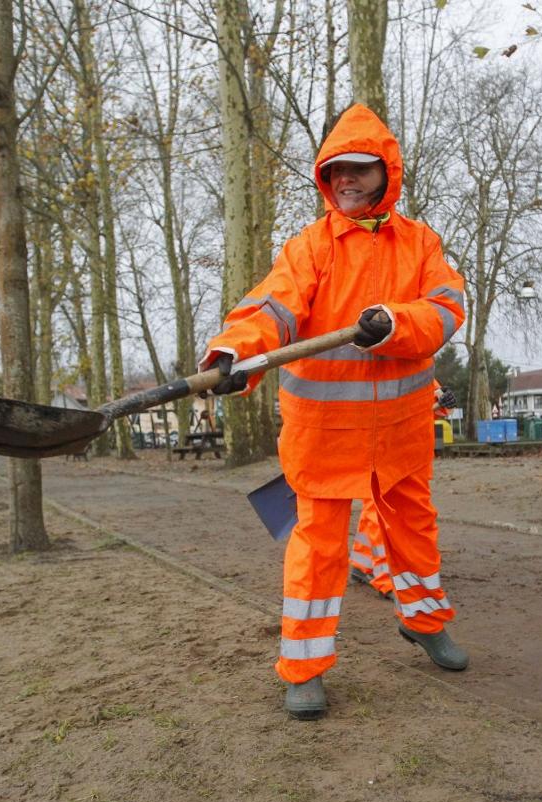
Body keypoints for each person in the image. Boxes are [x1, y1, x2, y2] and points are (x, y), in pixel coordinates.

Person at [200, 104, 468, 720]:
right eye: (336, 169)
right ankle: (304, 667)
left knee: (414, 536)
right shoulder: (310, 248)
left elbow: (447, 310)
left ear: (386, 174)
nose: (347, 179)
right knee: (318, 550)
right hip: (323, 438)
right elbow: (271, 308)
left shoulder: (421, 243)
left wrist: (397, 323)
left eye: (360, 169)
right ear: (325, 176)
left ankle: (425, 622)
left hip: (400, 435)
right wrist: (233, 352)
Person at [349, 382, 455, 598]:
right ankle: (386, 579)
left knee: (376, 512)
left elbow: (432, 401)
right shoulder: (370, 368)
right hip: (382, 453)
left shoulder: (414, 364)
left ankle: (362, 565)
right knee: (381, 515)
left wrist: (443, 401)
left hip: (406, 453)